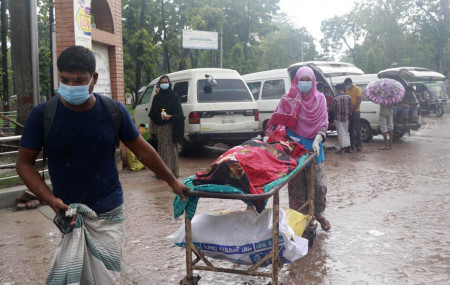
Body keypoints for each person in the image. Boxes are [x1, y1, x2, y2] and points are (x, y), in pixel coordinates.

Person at [16, 46, 189, 284]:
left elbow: (143, 150)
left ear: (94, 79)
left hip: (108, 212)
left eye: (79, 81)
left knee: (106, 277)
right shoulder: (43, 115)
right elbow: (24, 164)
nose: (71, 86)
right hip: (68, 212)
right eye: (65, 80)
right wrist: (50, 199)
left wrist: (172, 181)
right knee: (73, 275)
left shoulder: (113, 111)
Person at [266, 66, 330, 231]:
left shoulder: (320, 99)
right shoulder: (289, 99)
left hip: (314, 150)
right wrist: (270, 137)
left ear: (313, 81)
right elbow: (274, 122)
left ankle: (318, 213)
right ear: (296, 81)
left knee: (319, 187)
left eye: (308, 80)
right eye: (302, 80)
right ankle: (301, 221)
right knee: (297, 190)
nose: (305, 83)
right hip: (294, 151)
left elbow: (324, 122)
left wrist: (318, 138)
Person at [148, 75, 184, 178]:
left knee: (171, 150)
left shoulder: (174, 96)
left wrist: (171, 116)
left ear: (169, 83)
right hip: (160, 128)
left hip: (171, 127)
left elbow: (179, 113)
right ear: (159, 84)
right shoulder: (157, 97)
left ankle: (172, 173)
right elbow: (153, 114)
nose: (164, 84)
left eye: (166, 82)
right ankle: (162, 174)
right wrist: (152, 130)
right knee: (161, 150)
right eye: (162, 82)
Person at [329, 84, 352, 154]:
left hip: (338, 118)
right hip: (346, 118)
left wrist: (331, 120)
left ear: (337, 90)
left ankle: (342, 149)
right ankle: (349, 148)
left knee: (341, 134)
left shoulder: (335, 98)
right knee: (346, 133)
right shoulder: (348, 97)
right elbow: (351, 108)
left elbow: (332, 110)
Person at [344, 77, 363, 151]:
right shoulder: (347, 90)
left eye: (347, 84)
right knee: (351, 129)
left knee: (357, 128)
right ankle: (352, 145)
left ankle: (359, 145)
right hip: (349, 112)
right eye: (346, 85)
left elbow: (358, 101)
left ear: (350, 83)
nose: (347, 86)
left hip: (355, 112)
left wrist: (351, 110)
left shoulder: (357, 89)